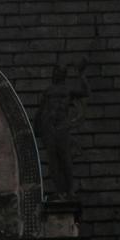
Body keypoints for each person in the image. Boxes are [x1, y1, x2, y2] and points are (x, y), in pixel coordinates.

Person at [34, 60, 90, 198]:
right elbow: (41, 110)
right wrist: (36, 127)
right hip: (49, 126)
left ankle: (70, 189)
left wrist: (81, 74)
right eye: (57, 71)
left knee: (65, 158)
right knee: (53, 160)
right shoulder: (48, 91)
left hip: (62, 126)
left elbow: (85, 92)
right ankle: (59, 190)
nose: (59, 74)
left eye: (62, 72)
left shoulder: (67, 89)